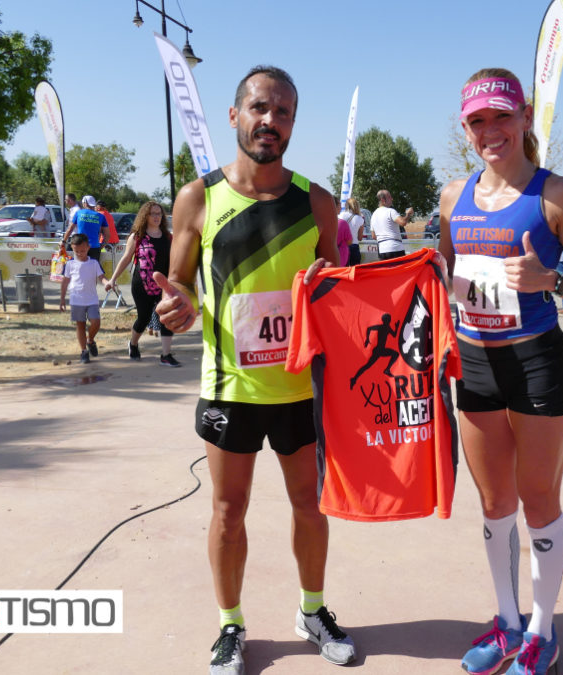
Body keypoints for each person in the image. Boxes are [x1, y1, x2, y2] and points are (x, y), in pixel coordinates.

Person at [153, 65, 353, 675]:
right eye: (261, 108)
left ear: (293, 124)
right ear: (235, 114)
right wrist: (176, 310)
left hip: (299, 390)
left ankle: (312, 611)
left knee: (309, 506)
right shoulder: (199, 198)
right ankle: (230, 626)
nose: (272, 121)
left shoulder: (315, 201)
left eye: (284, 112)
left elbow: (338, 289)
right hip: (230, 389)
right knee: (227, 511)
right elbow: (177, 290)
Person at [437, 67, 563, 675]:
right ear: (466, 128)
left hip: (538, 363)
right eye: (478, 121)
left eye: (501, 117)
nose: (491, 131)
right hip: (475, 363)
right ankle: (507, 622)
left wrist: (553, 281)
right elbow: (448, 272)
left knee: (538, 499)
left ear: (524, 117)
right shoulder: (452, 195)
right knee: (492, 502)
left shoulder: (556, 193)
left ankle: (542, 630)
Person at [106, 201, 178, 366]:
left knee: (166, 317)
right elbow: (126, 259)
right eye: (153, 213)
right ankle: (133, 344)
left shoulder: (168, 237)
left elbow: (175, 260)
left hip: (164, 284)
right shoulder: (137, 237)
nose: (156, 217)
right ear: (145, 216)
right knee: (144, 317)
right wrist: (113, 279)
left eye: (159, 213)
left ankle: (166, 355)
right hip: (142, 284)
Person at [58, 233, 107, 364]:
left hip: (91, 299)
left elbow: (102, 277)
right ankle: (84, 351)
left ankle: (90, 340)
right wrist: (62, 299)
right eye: (76, 251)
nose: (80, 253)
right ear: (72, 249)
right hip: (76, 299)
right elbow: (65, 282)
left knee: (96, 322)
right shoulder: (69, 264)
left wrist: (107, 283)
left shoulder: (94, 263)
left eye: (83, 250)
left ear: (88, 247)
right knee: (80, 325)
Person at [370, 189, 413, 260]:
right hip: (395, 247)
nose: (392, 199)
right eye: (389, 197)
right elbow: (403, 222)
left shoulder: (373, 215)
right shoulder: (391, 211)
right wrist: (408, 214)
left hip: (382, 249)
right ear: (383, 200)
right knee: (399, 271)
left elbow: (373, 236)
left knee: (386, 271)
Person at [338, 196, 364, 265]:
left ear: (346, 205)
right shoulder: (360, 219)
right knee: (355, 270)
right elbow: (360, 238)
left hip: (343, 246)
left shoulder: (341, 215)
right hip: (354, 246)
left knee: (343, 270)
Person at [334, 195, 353, 266]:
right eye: (339, 205)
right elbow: (349, 241)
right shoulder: (342, 223)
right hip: (341, 258)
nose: (341, 207)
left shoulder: (322, 222)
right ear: (334, 206)